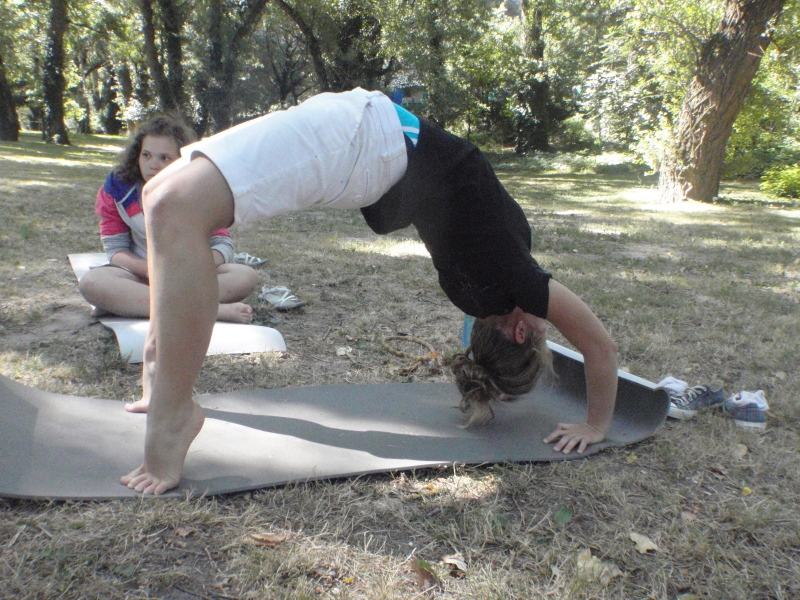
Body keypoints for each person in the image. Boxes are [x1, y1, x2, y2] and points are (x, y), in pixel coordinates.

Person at [120, 89, 618, 495]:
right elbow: (594, 347)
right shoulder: (511, 287)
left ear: (516, 330)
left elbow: (577, 347)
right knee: (161, 195)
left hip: (371, 140)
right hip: (377, 137)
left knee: (173, 203)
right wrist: (588, 422)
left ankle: (173, 407)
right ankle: (160, 378)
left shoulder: (497, 294)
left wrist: (503, 388)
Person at [79, 115, 259, 413]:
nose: (153, 164)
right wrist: (149, 270)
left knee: (245, 275)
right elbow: (115, 250)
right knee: (93, 284)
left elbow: (223, 246)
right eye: (146, 155)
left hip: (189, 278)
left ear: (182, 159)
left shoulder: (200, 189)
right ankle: (212, 310)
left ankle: (166, 304)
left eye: (165, 157)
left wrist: (195, 268)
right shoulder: (117, 189)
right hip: (139, 276)